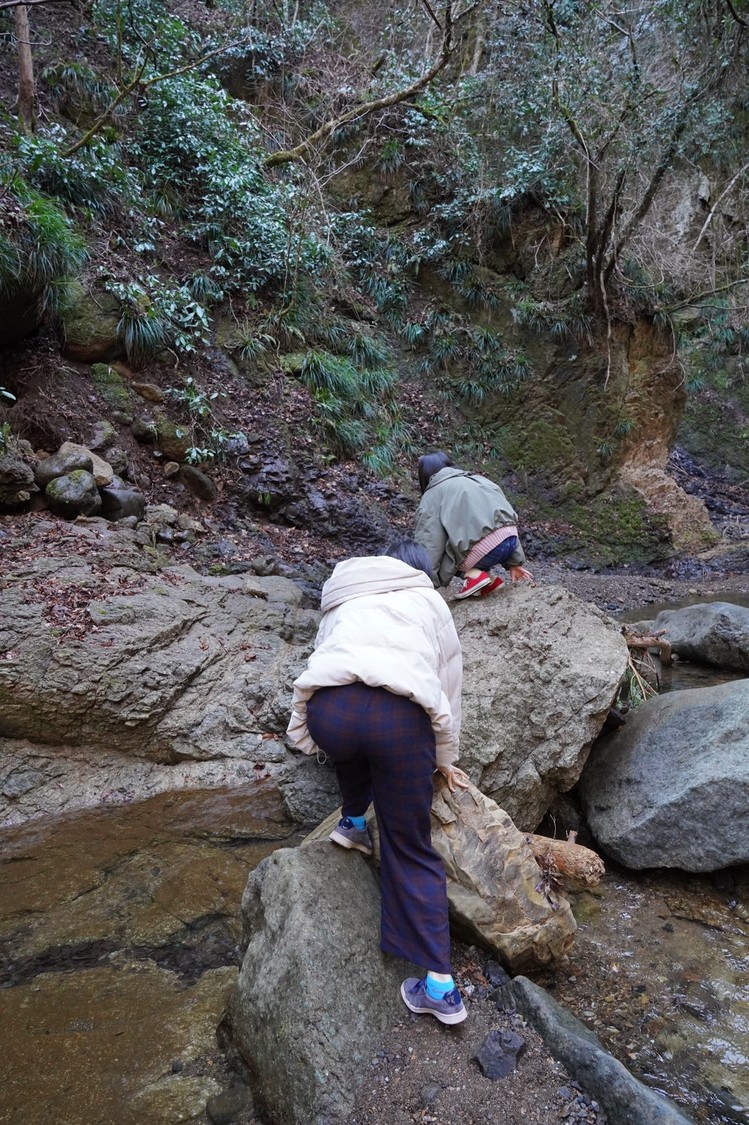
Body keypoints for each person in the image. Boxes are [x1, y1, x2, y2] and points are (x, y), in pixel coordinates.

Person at [286, 539, 471, 1025]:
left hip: (329, 714)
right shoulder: (428, 599)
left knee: (356, 741)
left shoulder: (344, 591)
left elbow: (326, 657)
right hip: (399, 721)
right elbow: (447, 681)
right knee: (409, 846)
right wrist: (443, 758)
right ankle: (440, 988)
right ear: (419, 571)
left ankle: (351, 823)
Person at [414, 450, 534, 598]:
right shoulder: (478, 480)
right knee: (474, 537)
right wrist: (514, 563)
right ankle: (490, 581)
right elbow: (504, 519)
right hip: (510, 543)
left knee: (452, 549)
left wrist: (425, 583)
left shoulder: (432, 496)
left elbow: (430, 543)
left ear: (424, 476)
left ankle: (474, 575)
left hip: (482, 551)